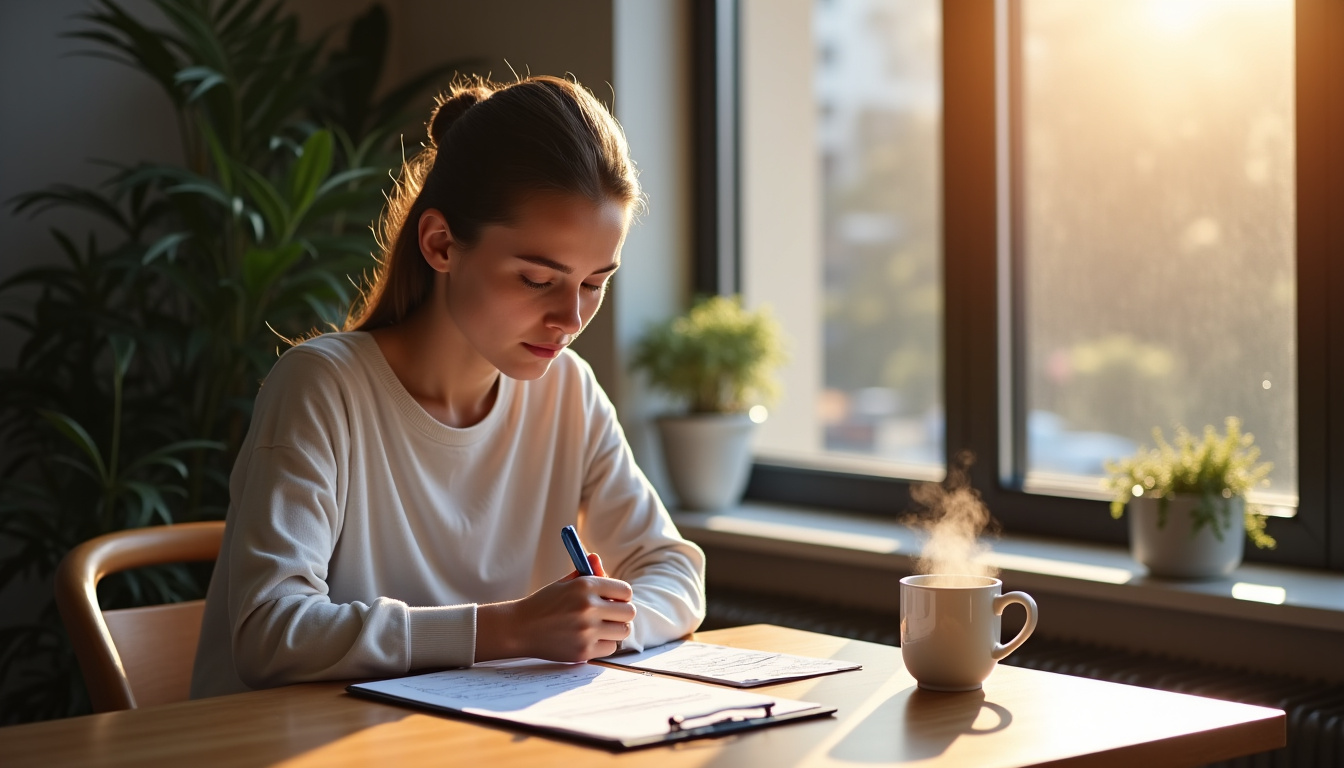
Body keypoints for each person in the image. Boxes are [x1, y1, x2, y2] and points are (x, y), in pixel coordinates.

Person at [190, 76, 706, 698]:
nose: (570, 319)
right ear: (440, 244)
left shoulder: (567, 390)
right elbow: (271, 632)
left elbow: (674, 571)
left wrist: (598, 627)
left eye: (594, 283)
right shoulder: (323, 387)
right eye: (538, 279)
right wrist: (511, 629)